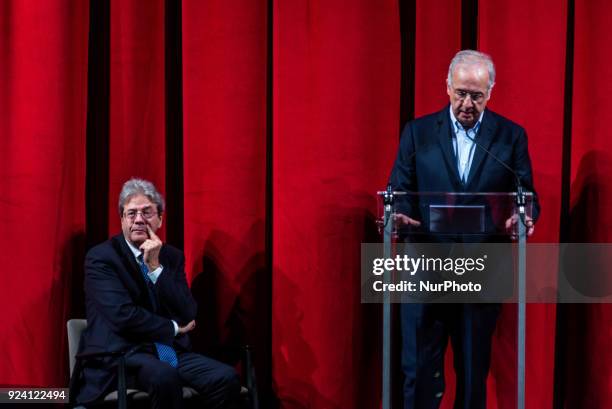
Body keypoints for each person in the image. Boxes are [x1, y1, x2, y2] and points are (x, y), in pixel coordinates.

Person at [389, 50, 539, 408]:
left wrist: (523, 217)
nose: (467, 104)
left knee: (472, 376)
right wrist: (400, 215)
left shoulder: (510, 137)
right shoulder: (418, 133)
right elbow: (400, 189)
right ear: (446, 88)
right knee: (419, 371)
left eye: (476, 95)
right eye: (460, 93)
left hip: (480, 271)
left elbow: (527, 194)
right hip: (425, 269)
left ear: (491, 92)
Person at [76, 178, 241, 408]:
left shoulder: (171, 257)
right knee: (165, 378)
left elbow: (188, 312)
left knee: (225, 378)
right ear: (122, 219)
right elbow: (123, 315)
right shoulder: (102, 258)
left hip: (168, 351)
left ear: (160, 219)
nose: (139, 220)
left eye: (147, 212)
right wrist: (173, 328)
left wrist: (155, 268)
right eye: (131, 213)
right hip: (123, 354)